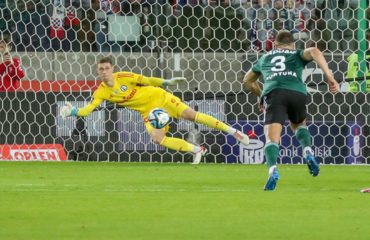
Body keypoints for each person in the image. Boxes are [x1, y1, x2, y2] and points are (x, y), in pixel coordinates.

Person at [60, 57, 250, 164]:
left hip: (161, 97)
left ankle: (235, 132)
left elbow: (148, 80)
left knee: (193, 116)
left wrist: (166, 82)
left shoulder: (124, 77)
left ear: (112, 69)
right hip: (149, 113)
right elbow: (88, 110)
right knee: (158, 139)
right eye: (100, 69)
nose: (104, 72)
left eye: (107, 68)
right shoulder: (101, 92)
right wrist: (74, 112)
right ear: (98, 71)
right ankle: (197, 150)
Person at [243, 31, 339, 190]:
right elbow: (315, 51)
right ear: (293, 45)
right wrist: (329, 76)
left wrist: (262, 94)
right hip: (297, 92)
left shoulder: (265, 58)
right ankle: (307, 151)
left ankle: (273, 170)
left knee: (272, 138)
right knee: (299, 125)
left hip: (274, 93)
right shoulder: (297, 53)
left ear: (275, 45)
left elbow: (247, 80)